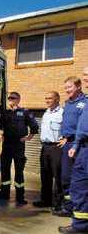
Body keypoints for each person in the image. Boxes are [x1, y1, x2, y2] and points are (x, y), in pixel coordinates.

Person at [0, 92, 39, 205]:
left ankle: (20, 197)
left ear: (18, 99)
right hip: (7, 145)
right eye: (9, 98)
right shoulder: (6, 113)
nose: (11, 100)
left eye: (13, 98)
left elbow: (34, 126)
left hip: (18, 146)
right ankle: (4, 193)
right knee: (5, 170)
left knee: (19, 171)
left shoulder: (25, 112)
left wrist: (28, 138)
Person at [59, 67, 88, 233]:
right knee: (67, 179)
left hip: (80, 146)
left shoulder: (84, 102)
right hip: (72, 143)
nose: (67, 90)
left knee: (79, 184)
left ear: (77, 87)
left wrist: (75, 142)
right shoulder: (67, 104)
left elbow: (82, 127)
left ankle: (80, 223)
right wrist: (67, 138)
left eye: (69, 87)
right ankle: (70, 209)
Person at [33, 91, 63, 211]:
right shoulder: (46, 113)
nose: (47, 100)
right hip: (44, 147)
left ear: (57, 99)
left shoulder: (62, 113)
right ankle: (45, 200)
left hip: (57, 147)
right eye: (46, 98)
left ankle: (58, 204)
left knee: (58, 176)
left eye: (50, 98)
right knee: (45, 176)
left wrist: (66, 139)